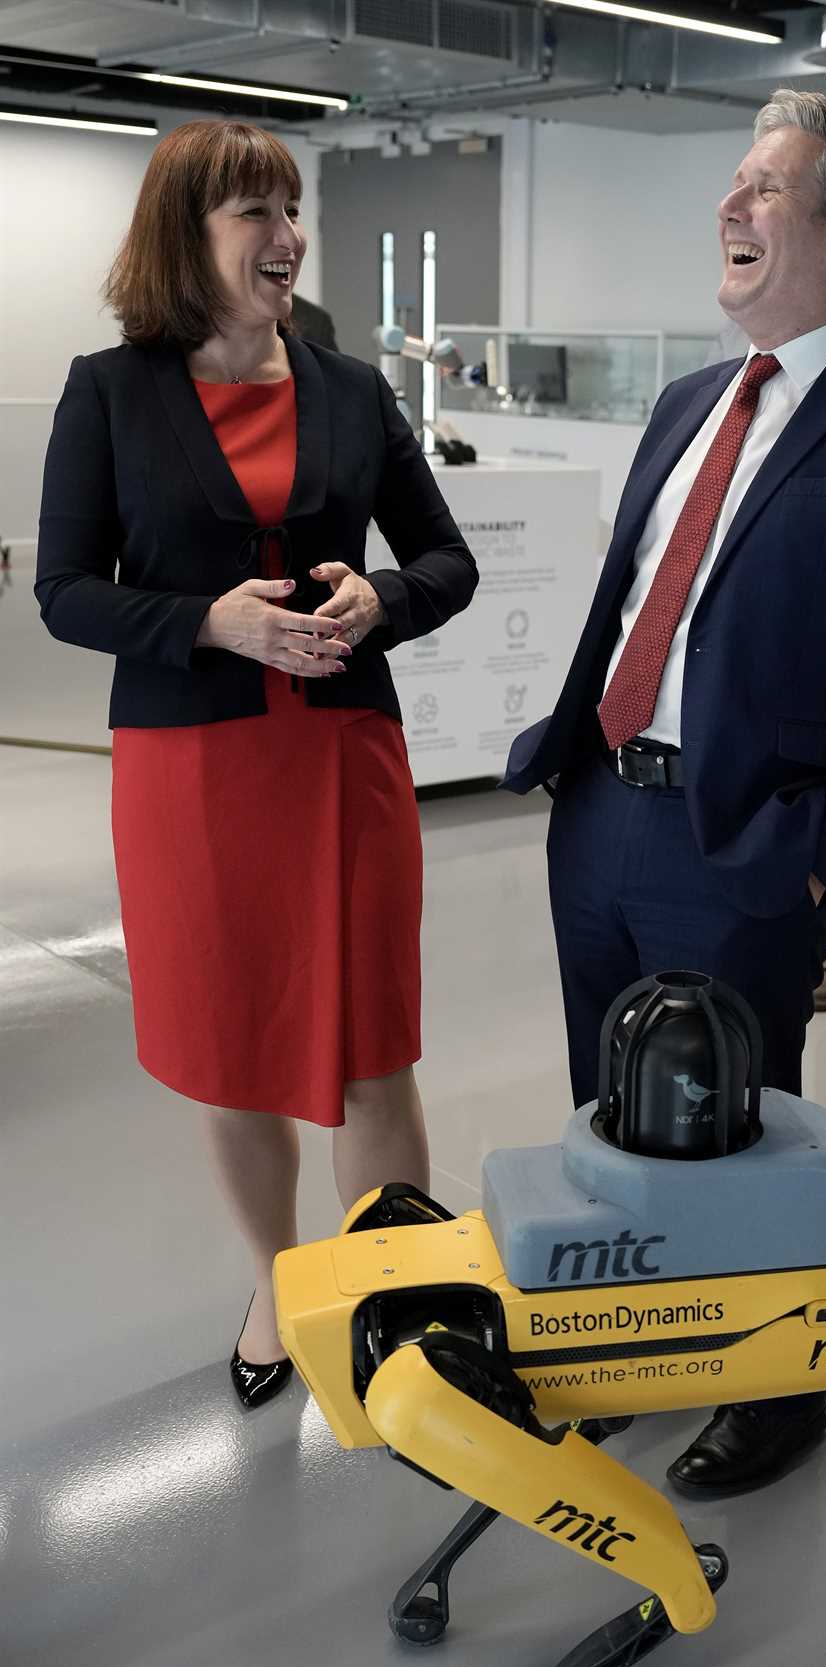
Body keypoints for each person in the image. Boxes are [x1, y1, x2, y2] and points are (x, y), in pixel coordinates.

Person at [503, 89, 826, 1497]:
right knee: (611, 1112)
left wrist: (825, 861)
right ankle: (637, 1346)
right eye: (732, 182)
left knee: (738, 1123)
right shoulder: (684, 403)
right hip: (602, 815)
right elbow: (635, 609)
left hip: (748, 846)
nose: (731, 207)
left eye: (765, 190)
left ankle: (778, 1389)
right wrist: (571, 759)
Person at [35, 121, 477, 1408]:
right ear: (188, 232)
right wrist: (205, 620)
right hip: (193, 774)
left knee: (371, 1045)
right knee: (232, 1044)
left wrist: (379, 598)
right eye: (255, 212)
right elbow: (64, 590)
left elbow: (444, 560)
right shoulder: (110, 390)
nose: (287, 237)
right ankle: (283, 1277)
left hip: (345, 758)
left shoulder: (348, 387)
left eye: (293, 211)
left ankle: (392, 1295)